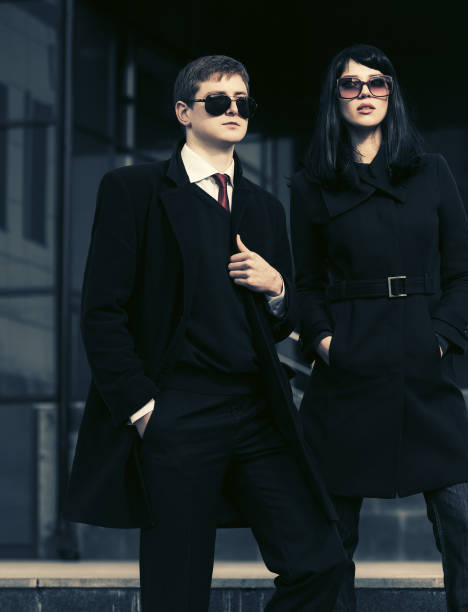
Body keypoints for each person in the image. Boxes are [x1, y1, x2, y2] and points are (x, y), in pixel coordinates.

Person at [65, 54, 346, 612]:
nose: (234, 110)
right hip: (178, 412)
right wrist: (144, 409)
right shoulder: (134, 191)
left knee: (321, 562)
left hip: (256, 410)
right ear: (183, 112)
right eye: (219, 101)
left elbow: (285, 322)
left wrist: (278, 289)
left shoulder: (265, 207)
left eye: (243, 102)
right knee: (177, 590)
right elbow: (102, 312)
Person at [290, 44, 468, 611]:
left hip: (423, 365)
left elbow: (467, 271)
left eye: (377, 84)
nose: (365, 95)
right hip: (347, 368)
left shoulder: (431, 171)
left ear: (392, 94)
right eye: (351, 85)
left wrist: (438, 337)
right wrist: (328, 344)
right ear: (335, 97)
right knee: (332, 538)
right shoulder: (310, 185)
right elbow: (305, 285)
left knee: (465, 530)